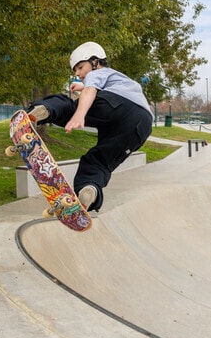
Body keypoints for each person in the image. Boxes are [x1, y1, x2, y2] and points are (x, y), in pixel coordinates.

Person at [28, 41, 153, 212]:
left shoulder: (98, 72)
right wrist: (83, 86)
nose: (78, 73)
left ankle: (43, 111)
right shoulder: (120, 79)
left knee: (69, 107)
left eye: (80, 67)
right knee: (100, 162)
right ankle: (89, 190)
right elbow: (103, 89)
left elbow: (91, 91)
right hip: (142, 124)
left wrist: (79, 114)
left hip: (116, 105)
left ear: (95, 62)